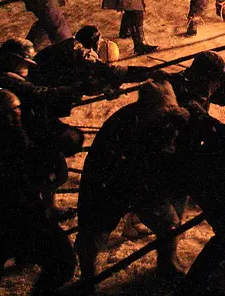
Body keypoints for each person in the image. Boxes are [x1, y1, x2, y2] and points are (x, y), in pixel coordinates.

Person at [75, 81, 192, 289]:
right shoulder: (125, 126)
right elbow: (129, 166)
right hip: (108, 184)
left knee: (168, 223)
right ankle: (88, 278)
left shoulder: (162, 122)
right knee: (93, 233)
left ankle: (168, 266)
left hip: (141, 184)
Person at [0, 89, 76, 296]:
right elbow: (9, 184)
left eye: (18, 114)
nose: (16, 119)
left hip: (24, 217)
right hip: (4, 222)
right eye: (10, 115)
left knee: (63, 261)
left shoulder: (18, 138)